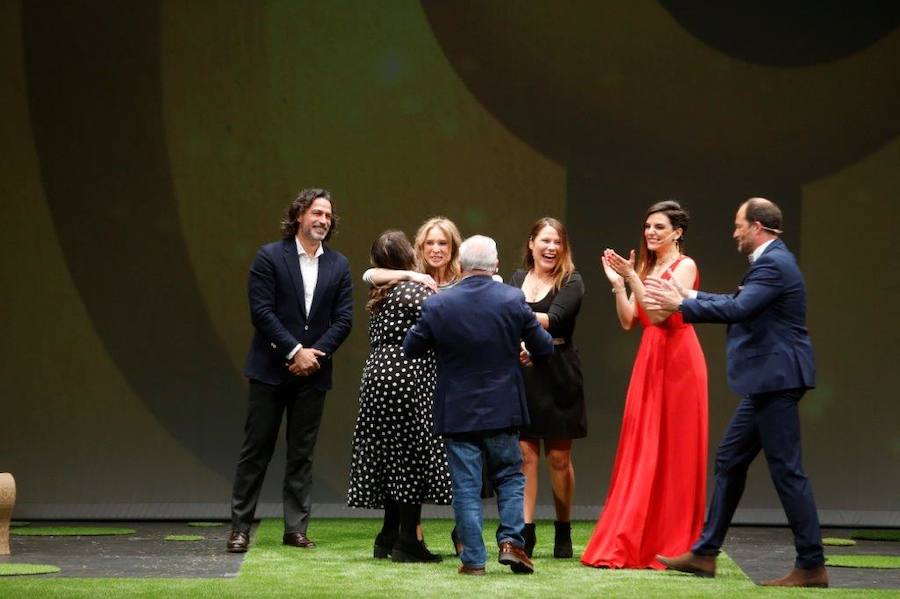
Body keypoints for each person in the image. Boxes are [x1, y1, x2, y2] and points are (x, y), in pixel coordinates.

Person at [644, 197, 827, 588]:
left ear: (757, 226)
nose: (734, 233)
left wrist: (681, 305)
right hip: (766, 382)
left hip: (777, 380)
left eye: (739, 225)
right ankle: (705, 553)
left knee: (787, 471)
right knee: (730, 460)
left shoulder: (774, 264)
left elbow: (739, 309)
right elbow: (736, 301)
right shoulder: (769, 262)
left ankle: (812, 564)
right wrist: (689, 295)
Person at [403, 235, 553, 575]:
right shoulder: (512, 299)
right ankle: (512, 543)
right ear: (495, 265)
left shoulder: (439, 304)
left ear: (460, 265)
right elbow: (544, 346)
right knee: (510, 478)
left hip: (458, 410)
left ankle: (473, 560)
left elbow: (412, 347)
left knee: (466, 487)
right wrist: (522, 350)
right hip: (503, 407)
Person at [580, 200, 708, 569]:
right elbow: (629, 320)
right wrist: (619, 284)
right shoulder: (645, 267)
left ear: (677, 233)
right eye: (648, 226)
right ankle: (635, 537)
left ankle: (673, 541)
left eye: (659, 227)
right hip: (650, 360)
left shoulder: (686, 266)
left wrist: (633, 277)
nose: (651, 232)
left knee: (675, 450)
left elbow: (658, 314)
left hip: (680, 363)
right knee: (643, 446)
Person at [227, 188, 353, 553]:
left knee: (302, 454)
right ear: (299, 215)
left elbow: (344, 319)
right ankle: (239, 529)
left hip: (314, 374)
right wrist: (295, 351)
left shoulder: (339, 264)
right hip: (270, 370)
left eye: (328, 215)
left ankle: (295, 529)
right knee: (256, 451)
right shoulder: (269, 256)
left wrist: (314, 356)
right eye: (316, 213)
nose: (323, 220)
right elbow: (261, 312)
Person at [347, 230, 452, 563]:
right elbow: (445, 324)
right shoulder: (415, 292)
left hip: (377, 375)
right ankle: (408, 540)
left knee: (391, 454)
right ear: (409, 255)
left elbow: (369, 275)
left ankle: (388, 534)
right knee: (410, 455)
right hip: (407, 376)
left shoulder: (383, 290)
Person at [507, 217, 585, 558]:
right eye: (545, 241)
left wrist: (515, 312)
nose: (551, 247)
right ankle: (526, 531)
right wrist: (521, 341)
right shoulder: (517, 279)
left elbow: (554, 319)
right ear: (531, 243)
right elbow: (510, 322)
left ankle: (563, 528)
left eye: (557, 242)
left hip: (558, 371)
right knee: (525, 456)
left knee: (558, 459)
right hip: (524, 372)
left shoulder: (572, 280)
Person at [363, 216, 463, 291]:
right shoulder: (414, 270)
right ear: (421, 246)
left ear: (453, 247)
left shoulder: (463, 275)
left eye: (442, 243)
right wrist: (410, 275)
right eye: (429, 243)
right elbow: (368, 275)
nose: (436, 250)